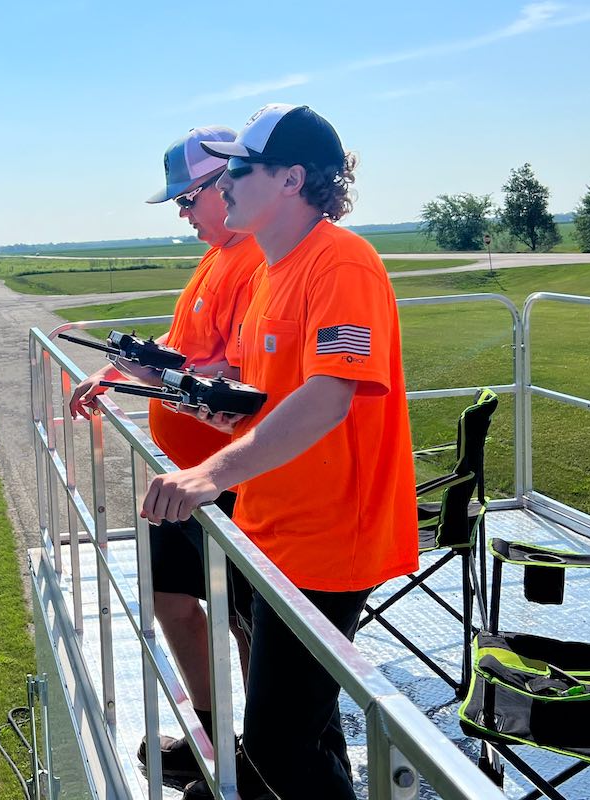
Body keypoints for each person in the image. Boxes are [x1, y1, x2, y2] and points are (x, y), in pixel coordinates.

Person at [139, 104, 419, 800]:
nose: (222, 182)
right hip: (275, 528)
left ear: (290, 178)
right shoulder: (271, 271)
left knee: (277, 741)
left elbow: (328, 398)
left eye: (238, 167)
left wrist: (210, 474)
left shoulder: (343, 263)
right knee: (303, 726)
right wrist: (199, 401)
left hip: (330, 537)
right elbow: (264, 398)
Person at [69, 126, 264, 789]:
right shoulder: (215, 258)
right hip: (186, 474)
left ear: (225, 185)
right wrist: (129, 367)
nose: (183, 214)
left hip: (231, 474)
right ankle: (218, 738)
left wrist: (152, 374)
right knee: (170, 598)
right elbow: (185, 349)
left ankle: (258, 758)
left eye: (187, 199)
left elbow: (236, 375)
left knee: (244, 619)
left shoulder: (256, 258)